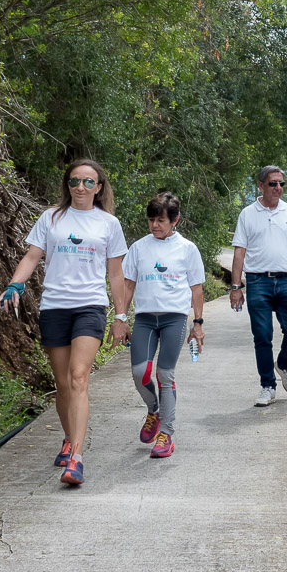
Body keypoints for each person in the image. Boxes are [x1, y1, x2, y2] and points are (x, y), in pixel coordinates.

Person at [0, 158, 126, 487]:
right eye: (74, 181)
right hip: (54, 306)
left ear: (99, 188)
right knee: (64, 384)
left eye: (87, 182)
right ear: (66, 186)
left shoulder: (108, 224)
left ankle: (77, 458)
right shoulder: (50, 218)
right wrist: (15, 283)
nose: (80, 188)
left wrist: (121, 315)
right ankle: (69, 437)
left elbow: (115, 273)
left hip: (91, 306)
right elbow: (31, 256)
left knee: (79, 377)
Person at [119, 191, 206, 459]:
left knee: (165, 374)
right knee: (138, 372)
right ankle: (153, 410)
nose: (155, 225)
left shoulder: (187, 249)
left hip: (174, 319)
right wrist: (120, 317)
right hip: (145, 318)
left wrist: (198, 323)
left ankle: (166, 433)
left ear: (175, 220)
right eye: (151, 220)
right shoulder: (139, 247)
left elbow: (196, 288)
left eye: (161, 221)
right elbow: (128, 284)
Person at [229, 165, 287, 406]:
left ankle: (284, 365)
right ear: (261, 186)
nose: (278, 188)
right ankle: (267, 386)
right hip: (258, 282)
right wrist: (236, 288)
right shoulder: (247, 214)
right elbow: (239, 252)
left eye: (281, 184)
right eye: (273, 183)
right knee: (262, 336)